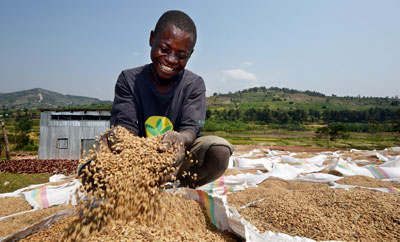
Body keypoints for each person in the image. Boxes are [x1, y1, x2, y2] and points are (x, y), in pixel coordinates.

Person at [104, 10, 234, 188]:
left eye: (181, 56)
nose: (171, 60)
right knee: (97, 159)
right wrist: (133, 152)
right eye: (164, 49)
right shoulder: (129, 79)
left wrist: (179, 139)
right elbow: (126, 128)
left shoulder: (194, 84)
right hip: (136, 158)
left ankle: (179, 186)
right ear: (152, 39)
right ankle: (131, 186)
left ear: (190, 54)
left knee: (220, 151)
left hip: (178, 159)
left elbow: (190, 129)